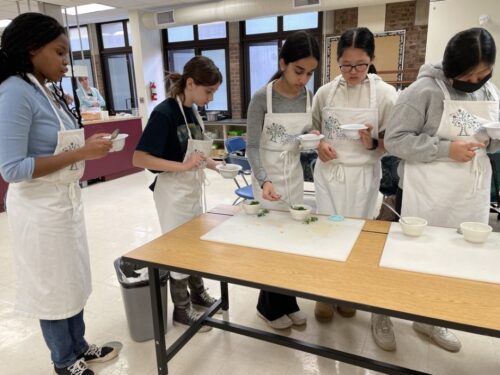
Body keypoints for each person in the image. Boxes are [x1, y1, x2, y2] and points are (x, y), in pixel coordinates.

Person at [0, 13, 118, 375]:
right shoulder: (14, 91)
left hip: (63, 202)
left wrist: (90, 145)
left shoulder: (42, 88)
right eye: (60, 52)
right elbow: (12, 168)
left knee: (72, 279)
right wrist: (82, 153)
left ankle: (79, 345)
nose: (66, 61)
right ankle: (64, 360)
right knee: (52, 287)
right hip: (38, 209)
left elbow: (57, 143)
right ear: (32, 49)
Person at [384, 27, 500, 352]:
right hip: (427, 191)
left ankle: (431, 319)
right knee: (410, 257)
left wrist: (492, 139)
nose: (477, 80)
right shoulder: (423, 91)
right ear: (451, 67)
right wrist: (445, 150)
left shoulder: (489, 92)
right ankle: (383, 314)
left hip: (468, 193)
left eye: (484, 73)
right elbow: (395, 139)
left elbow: (490, 141)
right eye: (469, 74)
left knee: (453, 260)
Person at [310, 27, 397, 342]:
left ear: (372, 59)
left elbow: (391, 143)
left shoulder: (386, 94)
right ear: (337, 62)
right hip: (329, 174)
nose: (353, 72)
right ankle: (323, 293)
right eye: (345, 65)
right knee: (327, 233)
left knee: (357, 237)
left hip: (362, 176)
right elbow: (314, 130)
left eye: (361, 64)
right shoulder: (325, 93)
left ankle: (346, 294)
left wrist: (373, 142)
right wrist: (319, 145)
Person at [133, 56, 222, 332]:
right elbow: (140, 158)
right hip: (172, 193)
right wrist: (182, 166)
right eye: (208, 91)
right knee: (179, 252)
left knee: (195, 246)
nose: (210, 97)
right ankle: (181, 310)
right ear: (191, 83)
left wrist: (213, 164)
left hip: (191, 189)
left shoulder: (193, 111)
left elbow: (195, 151)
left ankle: (197, 293)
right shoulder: (164, 113)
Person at [246, 31, 320, 329]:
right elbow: (252, 146)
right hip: (267, 180)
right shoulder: (262, 97)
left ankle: (288, 301)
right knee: (270, 244)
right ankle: (268, 306)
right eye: (298, 70)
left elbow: (302, 140)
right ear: (283, 63)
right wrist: (263, 180)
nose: (304, 79)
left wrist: (310, 140)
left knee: (292, 243)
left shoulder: (308, 96)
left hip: (293, 178)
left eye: (310, 73)